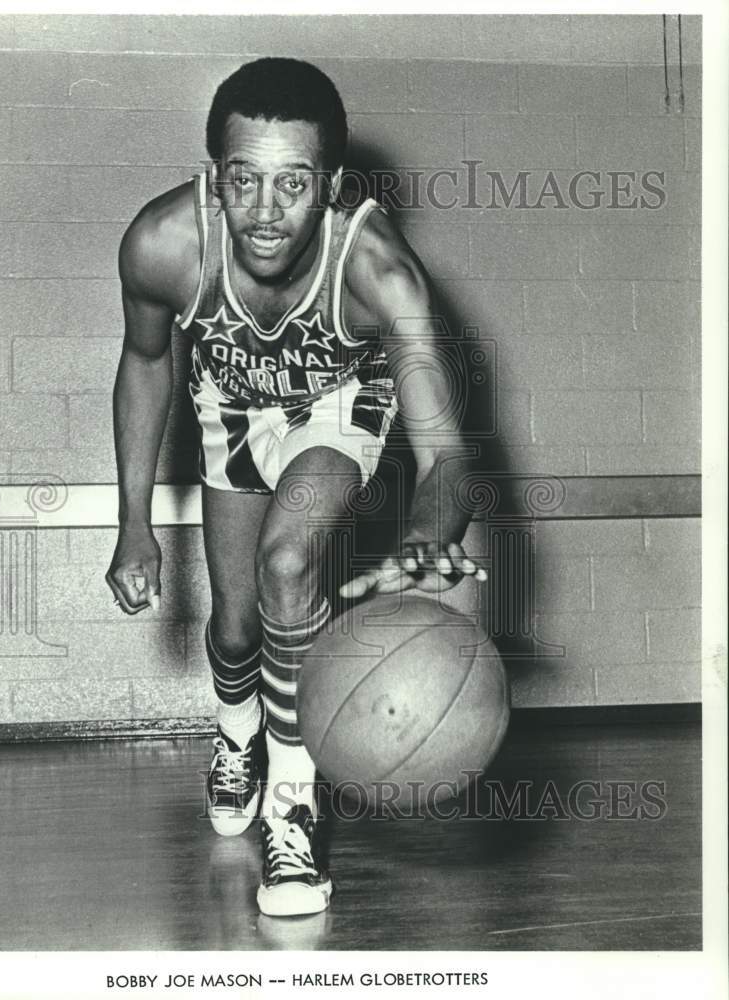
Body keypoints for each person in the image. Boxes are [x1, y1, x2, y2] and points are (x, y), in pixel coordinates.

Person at [106, 57, 485, 918]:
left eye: (293, 185)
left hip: (336, 408)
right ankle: (236, 733)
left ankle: (293, 800)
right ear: (214, 179)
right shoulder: (164, 244)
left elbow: (447, 458)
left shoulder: (380, 273)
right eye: (244, 181)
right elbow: (145, 362)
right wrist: (134, 523)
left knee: (288, 561)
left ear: (333, 187)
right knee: (234, 630)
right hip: (230, 410)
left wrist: (430, 533)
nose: (267, 212)